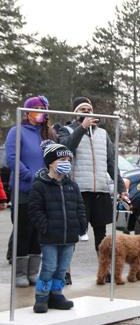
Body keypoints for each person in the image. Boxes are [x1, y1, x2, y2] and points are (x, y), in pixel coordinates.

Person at [58, 97, 128, 252]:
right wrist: (82, 128)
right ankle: (66, 273)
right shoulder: (66, 130)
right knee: (72, 234)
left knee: (101, 236)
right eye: (83, 110)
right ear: (75, 113)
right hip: (78, 190)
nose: (88, 112)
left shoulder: (102, 133)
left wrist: (121, 187)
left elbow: (111, 162)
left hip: (100, 190)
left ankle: (104, 272)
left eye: (89, 110)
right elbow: (65, 150)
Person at [28, 141, 87, 313]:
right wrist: (45, 227)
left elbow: (80, 207)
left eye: (69, 159)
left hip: (69, 236)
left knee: (62, 269)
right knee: (49, 267)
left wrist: (81, 224)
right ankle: (41, 297)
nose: (66, 163)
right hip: (50, 237)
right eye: (62, 160)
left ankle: (56, 294)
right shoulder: (40, 185)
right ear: (51, 162)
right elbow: (35, 210)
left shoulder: (72, 185)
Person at [4, 95, 55, 287]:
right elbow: (12, 158)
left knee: (38, 230)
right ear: (27, 112)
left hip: (44, 189)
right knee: (23, 230)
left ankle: (34, 270)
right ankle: (19, 272)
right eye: (37, 109)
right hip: (25, 188)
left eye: (43, 109)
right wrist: (30, 176)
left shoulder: (47, 133)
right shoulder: (17, 131)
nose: (40, 113)